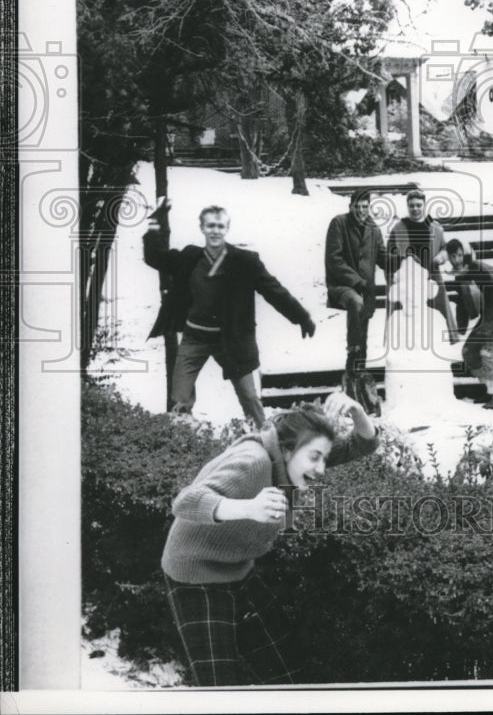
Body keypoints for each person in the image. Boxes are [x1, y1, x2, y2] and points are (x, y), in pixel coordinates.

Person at [162, 392, 379, 686]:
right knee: (220, 688)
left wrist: (356, 410)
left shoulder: (294, 455)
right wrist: (247, 508)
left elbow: (363, 443)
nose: (321, 468)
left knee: (289, 673)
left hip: (238, 567)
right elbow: (186, 501)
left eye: (324, 458)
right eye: (315, 457)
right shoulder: (254, 461)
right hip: (195, 574)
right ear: (288, 450)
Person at [144, 202, 316, 427]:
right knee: (180, 400)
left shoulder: (245, 262)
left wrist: (301, 317)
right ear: (202, 228)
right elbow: (155, 258)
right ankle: (184, 445)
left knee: (250, 398)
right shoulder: (190, 257)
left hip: (232, 340)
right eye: (210, 226)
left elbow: (274, 290)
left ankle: (265, 440)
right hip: (194, 338)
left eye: (220, 226)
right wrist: (155, 223)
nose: (215, 230)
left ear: (226, 229)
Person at [324, 190, 386, 398]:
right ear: (350, 206)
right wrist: (356, 280)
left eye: (365, 206)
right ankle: (353, 349)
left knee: (364, 335)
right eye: (357, 206)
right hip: (342, 286)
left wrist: (403, 257)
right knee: (355, 302)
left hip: (366, 291)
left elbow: (383, 257)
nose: (361, 211)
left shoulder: (373, 229)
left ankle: (355, 382)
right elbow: (334, 259)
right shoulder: (338, 223)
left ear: (369, 207)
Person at [446, 238, 493, 409]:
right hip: (488, 316)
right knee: (469, 351)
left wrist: (487, 328)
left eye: (459, 255)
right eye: (452, 256)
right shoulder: (460, 275)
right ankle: (490, 390)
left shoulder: (482, 269)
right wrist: (461, 327)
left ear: (465, 254)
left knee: (488, 352)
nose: (456, 260)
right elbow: (462, 302)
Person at [386, 188, 456, 337]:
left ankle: (440, 339)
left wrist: (442, 256)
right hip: (407, 278)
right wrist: (399, 261)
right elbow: (389, 253)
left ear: (424, 205)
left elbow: (445, 247)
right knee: (405, 317)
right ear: (407, 206)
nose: (415, 209)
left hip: (431, 274)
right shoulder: (399, 228)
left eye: (418, 205)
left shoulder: (435, 227)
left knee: (437, 313)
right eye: (412, 205)